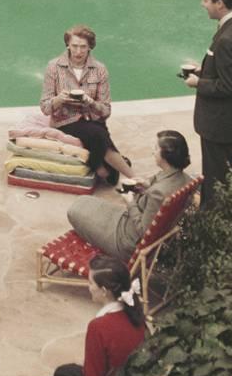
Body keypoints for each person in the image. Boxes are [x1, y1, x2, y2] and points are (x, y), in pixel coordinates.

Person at [37, 258, 148, 376]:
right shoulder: (135, 313)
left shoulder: (99, 327)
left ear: (104, 291)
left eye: (90, 283)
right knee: (63, 372)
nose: (88, 287)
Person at [66, 128, 192, 266]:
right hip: (129, 224)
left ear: (166, 156)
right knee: (84, 201)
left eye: (156, 149)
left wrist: (130, 201)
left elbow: (144, 231)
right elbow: (159, 191)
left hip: (126, 241)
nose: (152, 152)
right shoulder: (184, 179)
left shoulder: (159, 194)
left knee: (74, 211)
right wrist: (146, 185)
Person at [180, 0, 232, 189]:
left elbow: (228, 86)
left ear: (219, 3)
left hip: (220, 125)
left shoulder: (227, 38)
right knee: (224, 175)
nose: (203, 4)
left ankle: (211, 217)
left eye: (206, 0)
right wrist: (203, 70)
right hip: (231, 122)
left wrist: (198, 82)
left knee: (215, 180)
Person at [39, 25, 131, 185]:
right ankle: (127, 175)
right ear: (68, 45)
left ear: (90, 47)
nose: (78, 51)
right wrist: (59, 99)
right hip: (65, 121)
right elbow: (45, 108)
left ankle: (112, 169)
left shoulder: (99, 70)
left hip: (93, 120)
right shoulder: (53, 67)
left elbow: (106, 111)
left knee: (113, 176)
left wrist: (91, 103)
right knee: (99, 136)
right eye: (74, 46)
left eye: (83, 47)